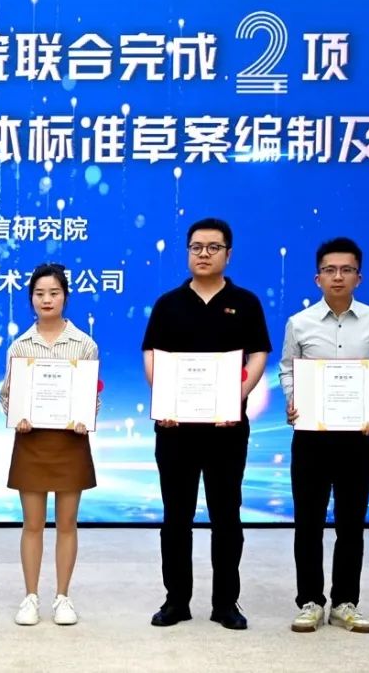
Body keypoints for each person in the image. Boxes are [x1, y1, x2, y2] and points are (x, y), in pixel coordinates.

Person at [141, 217, 271, 630]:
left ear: (228, 254)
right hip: (175, 430)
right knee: (175, 519)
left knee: (226, 517)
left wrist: (238, 394)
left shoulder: (245, 302)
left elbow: (258, 354)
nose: (204, 254)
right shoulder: (168, 303)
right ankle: (176, 601)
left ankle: (225, 603)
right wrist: (165, 398)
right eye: (196, 247)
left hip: (226, 430)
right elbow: (152, 354)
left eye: (213, 247)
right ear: (188, 252)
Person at [280, 237, 369, 634]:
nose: (338, 277)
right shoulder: (300, 323)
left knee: (351, 524)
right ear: (318, 278)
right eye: (330, 270)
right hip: (311, 438)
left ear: (359, 277)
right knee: (307, 524)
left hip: (357, 440)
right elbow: (288, 368)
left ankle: (345, 602)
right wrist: (293, 401)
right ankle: (310, 601)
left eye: (346, 270)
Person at [0, 263, 99, 626]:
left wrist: (85, 416)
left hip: (71, 441)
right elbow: (7, 394)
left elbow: (92, 396)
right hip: (32, 441)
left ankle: (62, 597)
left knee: (67, 524)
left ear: (65, 297)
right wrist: (17, 415)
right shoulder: (21, 345)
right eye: (39, 293)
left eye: (54, 293)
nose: (47, 299)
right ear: (31, 298)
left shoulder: (84, 344)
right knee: (33, 524)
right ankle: (30, 598)